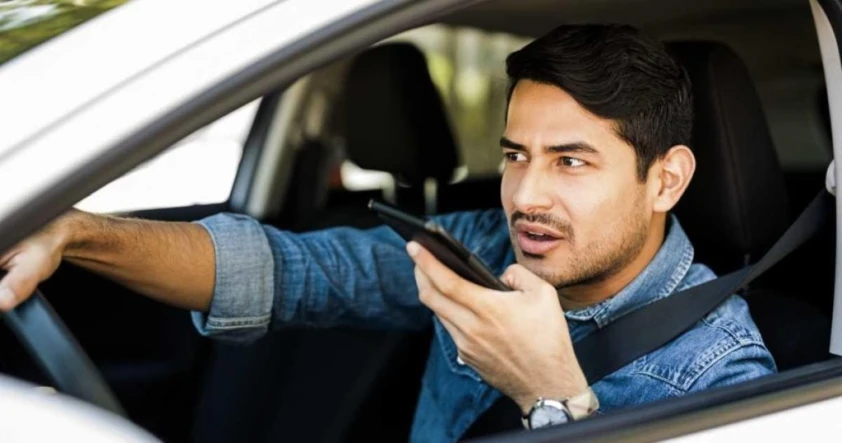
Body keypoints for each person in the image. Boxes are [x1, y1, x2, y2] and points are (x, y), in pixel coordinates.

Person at [0, 24, 775, 442]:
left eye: (572, 162)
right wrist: (76, 233)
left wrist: (550, 395)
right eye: (515, 155)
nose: (526, 196)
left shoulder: (724, 368)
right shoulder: (483, 249)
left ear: (666, 179)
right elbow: (287, 270)